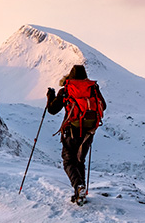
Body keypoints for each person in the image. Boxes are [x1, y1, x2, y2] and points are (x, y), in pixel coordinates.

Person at [46, 65, 106, 203]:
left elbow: (52, 110)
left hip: (72, 130)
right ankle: (80, 191)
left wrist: (50, 97)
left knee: (69, 161)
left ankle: (78, 187)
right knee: (80, 161)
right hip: (89, 130)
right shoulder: (93, 88)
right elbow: (104, 105)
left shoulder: (66, 89)